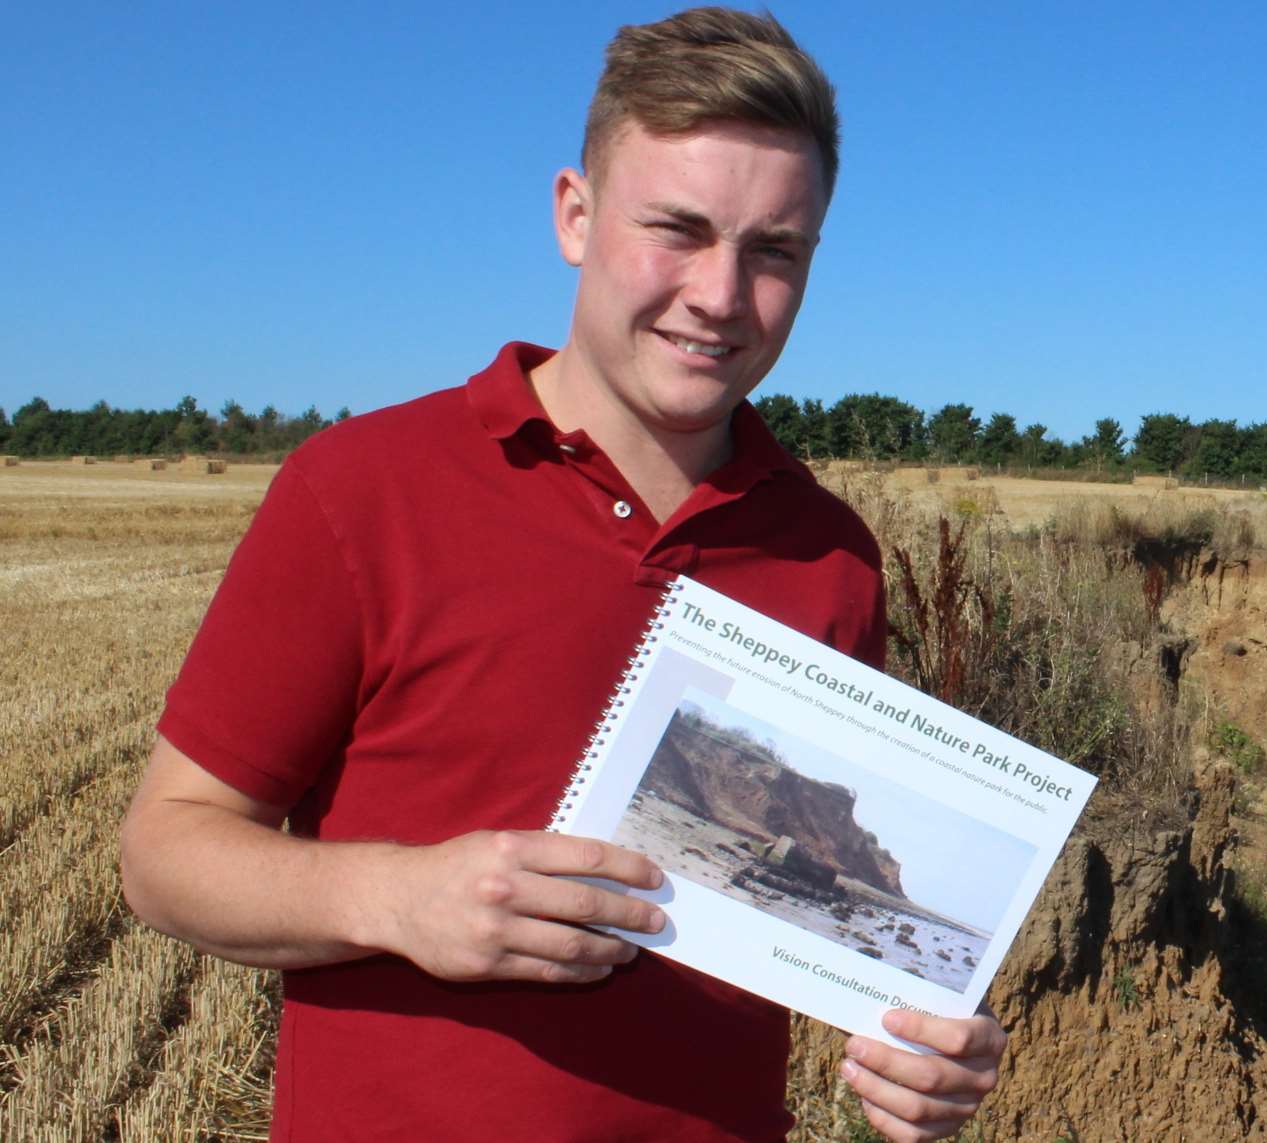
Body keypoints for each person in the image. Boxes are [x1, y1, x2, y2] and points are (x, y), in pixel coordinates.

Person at [121, 8, 1007, 1141]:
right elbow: (165, 853)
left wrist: (922, 1053)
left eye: (771, 252)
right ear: (574, 216)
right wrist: (397, 898)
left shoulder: (828, 553)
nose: (720, 296)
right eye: (676, 230)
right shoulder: (362, 487)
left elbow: (834, 950)